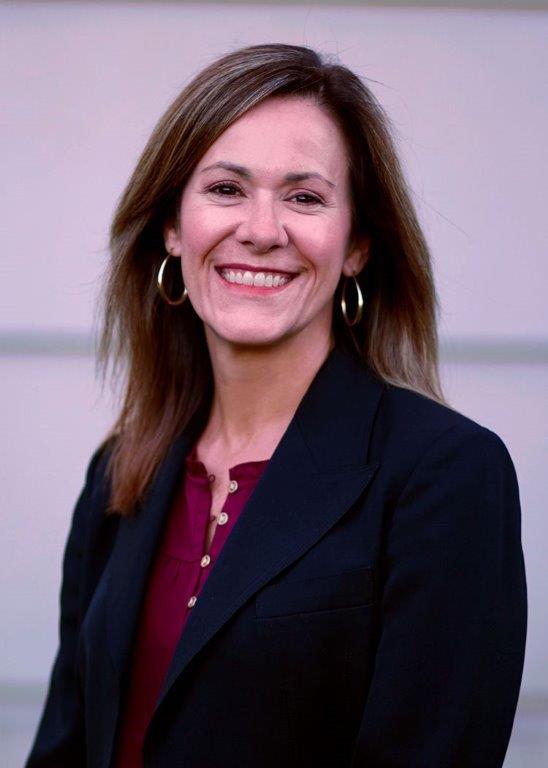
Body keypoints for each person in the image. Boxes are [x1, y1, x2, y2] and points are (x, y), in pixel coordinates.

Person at [25, 43, 527, 768]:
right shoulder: (119, 473)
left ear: (356, 243)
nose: (261, 230)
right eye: (226, 189)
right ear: (173, 226)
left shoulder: (444, 476)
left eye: (304, 196)